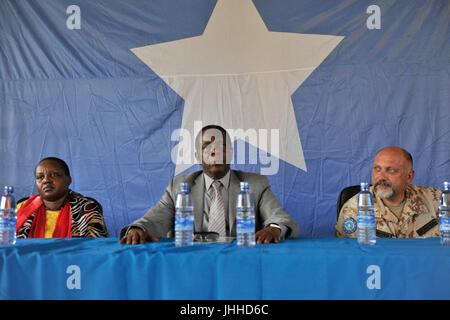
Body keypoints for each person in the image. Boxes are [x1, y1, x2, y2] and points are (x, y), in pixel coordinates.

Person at [120, 125, 299, 244]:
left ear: (229, 154)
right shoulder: (179, 186)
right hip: (191, 261)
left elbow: (280, 219)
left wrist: (274, 229)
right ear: (198, 157)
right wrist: (138, 228)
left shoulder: (255, 184)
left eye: (220, 146)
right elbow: (155, 219)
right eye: (207, 146)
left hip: (240, 261)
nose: (214, 151)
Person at [336, 146, 441, 238]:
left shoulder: (436, 200)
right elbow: (347, 254)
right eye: (377, 169)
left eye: (390, 170)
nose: (381, 177)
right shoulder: (354, 210)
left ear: (409, 176)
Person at [16, 157, 108, 238]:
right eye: (40, 177)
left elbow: (96, 246)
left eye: (54, 175)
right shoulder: (23, 206)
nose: (46, 180)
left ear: (68, 180)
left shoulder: (86, 208)